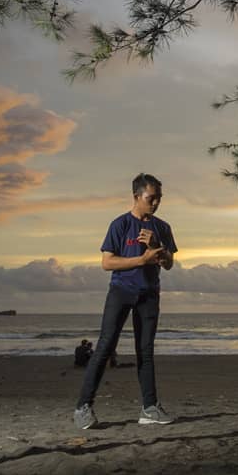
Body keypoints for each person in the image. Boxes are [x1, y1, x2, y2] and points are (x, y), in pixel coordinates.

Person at [73, 173, 178, 429]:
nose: (155, 204)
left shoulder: (162, 228)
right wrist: (141, 260)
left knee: (145, 351)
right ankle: (83, 407)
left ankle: (150, 408)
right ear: (136, 196)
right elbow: (107, 262)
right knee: (105, 346)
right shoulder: (119, 225)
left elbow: (169, 264)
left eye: (159, 199)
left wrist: (158, 248)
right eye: (151, 198)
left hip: (149, 295)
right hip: (121, 291)